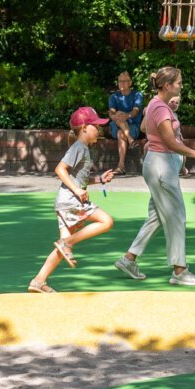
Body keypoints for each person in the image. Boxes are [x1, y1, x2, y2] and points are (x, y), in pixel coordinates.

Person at [114, 66, 195, 286]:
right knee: (176, 216)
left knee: (158, 216)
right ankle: (180, 271)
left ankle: (128, 259)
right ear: (167, 85)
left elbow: (145, 128)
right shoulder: (160, 108)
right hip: (162, 166)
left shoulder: (154, 104)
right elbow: (170, 142)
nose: (181, 86)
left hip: (159, 164)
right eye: (178, 82)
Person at [29, 107, 117, 293]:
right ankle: (67, 243)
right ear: (84, 127)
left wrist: (99, 179)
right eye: (95, 126)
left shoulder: (83, 148)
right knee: (106, 221)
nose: (99, 130)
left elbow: (80, 179)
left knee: (63, 250)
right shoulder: (78, 147)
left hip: (66, 201)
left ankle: (39, 280)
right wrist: (77, 189)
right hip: (71, 201)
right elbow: (60, 169)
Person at [106, 70, 145, 174]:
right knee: (118, 116)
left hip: (133, 127)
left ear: (130, 83)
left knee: (120, 133)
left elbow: (135, 111)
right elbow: (111, 112)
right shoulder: (113, 97)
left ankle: (121, 166)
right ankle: (131, 140)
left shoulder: (137, 95)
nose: (121, 83)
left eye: (124, 81)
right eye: (120, 81)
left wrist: (127, 116)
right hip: (116, 125)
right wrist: (116, 116)